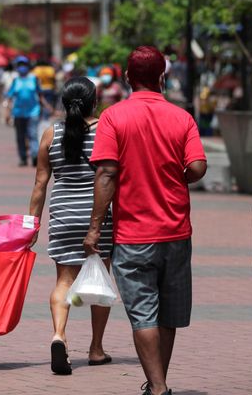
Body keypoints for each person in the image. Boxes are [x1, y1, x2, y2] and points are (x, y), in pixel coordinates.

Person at [84, 45, 207, 395]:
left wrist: (95, 227)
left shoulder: (113, 117)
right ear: (162, 77)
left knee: (144, 316)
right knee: (167, 315)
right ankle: (158, 382)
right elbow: (197, 167)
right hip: (176, 231)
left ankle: (157, 386)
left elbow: (106, 173)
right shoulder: (181, 117)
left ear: (126, 77)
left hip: (133, 235)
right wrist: (176, 175)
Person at [29, 77, 114, 375]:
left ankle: (59, 336)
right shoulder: (106, 130)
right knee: (99, 281)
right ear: (94, 101)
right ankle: (96, 349)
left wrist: (32, 224)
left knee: (64, 281)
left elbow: (41, 184)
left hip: (63, 215)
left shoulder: (51, 134)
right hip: (97, 215)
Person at [6, 57, 50, 167]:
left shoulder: (34, 79)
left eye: (24, 64)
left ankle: (35, 155)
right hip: (18, 113)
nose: (22, 67)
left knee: (33, 134)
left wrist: (47, 108)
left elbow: (40, 96)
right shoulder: (15, 81)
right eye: (20, 64)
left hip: (33, 112)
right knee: (20, 136)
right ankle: (23, 158)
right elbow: (9, 97)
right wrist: (7, 113)